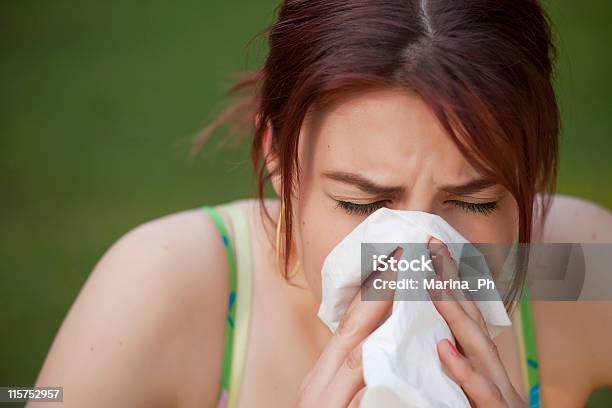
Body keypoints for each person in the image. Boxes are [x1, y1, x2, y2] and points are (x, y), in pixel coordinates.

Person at [31, 0, 612, 407]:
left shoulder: (571, 269)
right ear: (280, 160)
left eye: (477, 202)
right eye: (362, 204)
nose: (414, 259)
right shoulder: (170, 281)